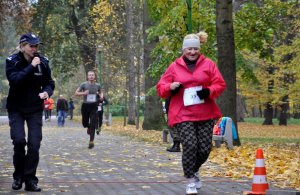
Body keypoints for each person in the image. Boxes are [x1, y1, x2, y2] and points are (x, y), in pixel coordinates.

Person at [156, 32, 226, 194]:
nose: (192, 52)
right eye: (189, 49)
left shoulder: (208, 64)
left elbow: (220, 84)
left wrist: (208, 91)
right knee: (190, 145)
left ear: (199, 49)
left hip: (205, 113)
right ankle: (190, 181)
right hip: (182, 113)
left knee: (204, 149)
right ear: (183, 50)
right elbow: (161, 87)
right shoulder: (174, 66)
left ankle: (193, 171)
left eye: (195, 49)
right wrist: (171, 87)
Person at [5, 32, 55, 192]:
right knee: (19, 141)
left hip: (34, 108)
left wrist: (47, 92)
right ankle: (18, 177)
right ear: (22, 46)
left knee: (34, 145)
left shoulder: (43, 62)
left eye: (36, 45)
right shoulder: (12, 61)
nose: (34, 48)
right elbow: (15, 80)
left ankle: (30, 180)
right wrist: (31, 66)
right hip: (16, 108)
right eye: (31, 45)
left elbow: (49, 83)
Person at [75, 70, 102, 149]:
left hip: (94, 105)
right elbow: (76, 93)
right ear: (87, 76)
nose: (91, 76)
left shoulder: (98, 85)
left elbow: (101, 92)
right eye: (89, 75)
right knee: (85, 123)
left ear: (94, 76)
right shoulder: (83, 84)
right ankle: (88, 127)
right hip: (85, 106)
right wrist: (83, 93)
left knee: (93, 123)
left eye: (92, 75)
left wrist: (101, 96)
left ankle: (91, 141)